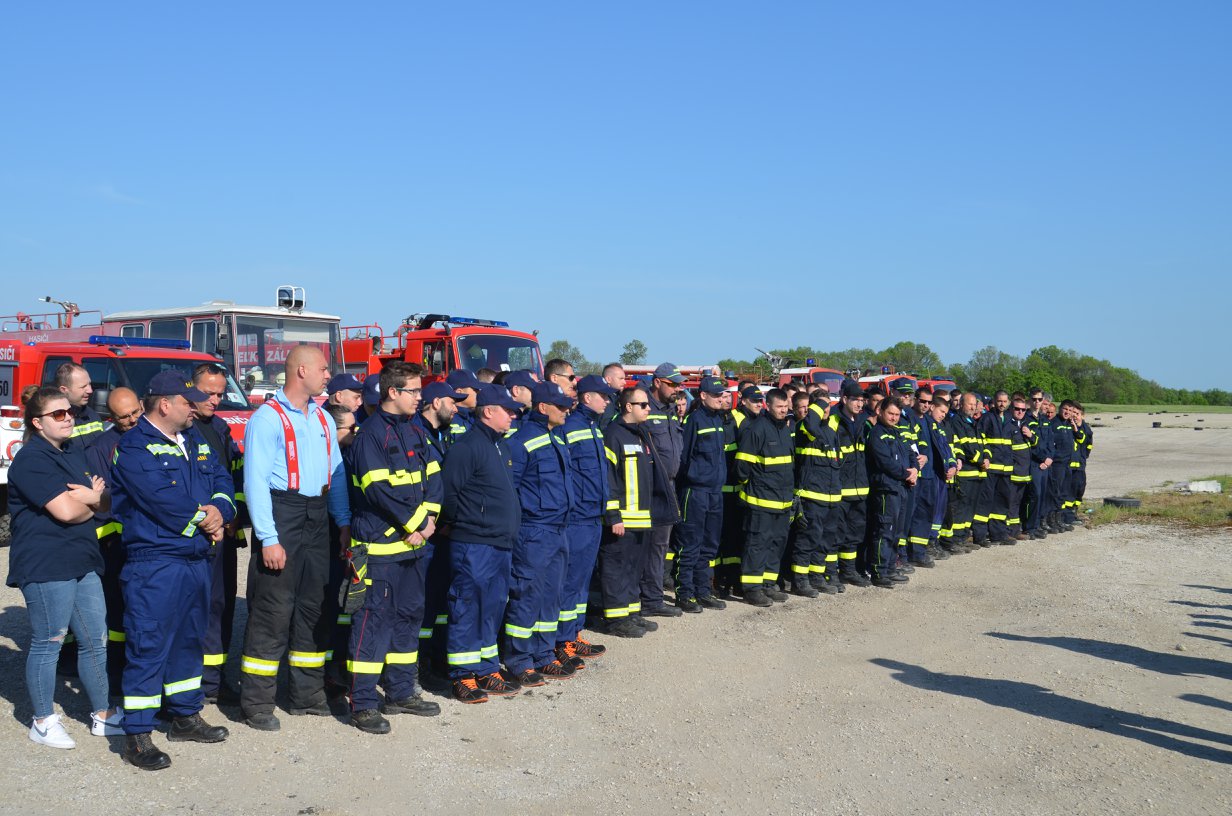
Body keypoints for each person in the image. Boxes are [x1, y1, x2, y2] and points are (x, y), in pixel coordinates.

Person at [112, 371, 236, 769]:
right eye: (188, 401)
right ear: (165, 404)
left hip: (196, 558)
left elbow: (221, 477)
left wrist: (220, 509)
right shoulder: (133, 448)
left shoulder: (194, 438)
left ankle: (184, 714)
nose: (196, 407)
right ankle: (138, 735)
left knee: (189, 640)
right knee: (149, 646)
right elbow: (160, 499)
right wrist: (205, 517)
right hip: (157, 563)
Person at [240, 345, 350, 731]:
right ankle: (256, 704)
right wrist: (269, 538)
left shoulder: (321, 417)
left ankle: (306, 695)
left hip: (318, 516)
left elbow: (335, 476)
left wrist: (344, 522)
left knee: (312, 607)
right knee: (273, 610)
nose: (328, 374)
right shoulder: (266, 419)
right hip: (283, 514)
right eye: (323, 368)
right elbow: (254, 483)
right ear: (301, 370)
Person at [7, 387, 121, 750]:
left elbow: (105, 500)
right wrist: (90, 498)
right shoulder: (31, 460)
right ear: (38, 423)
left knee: (94, 640)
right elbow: (67, 511)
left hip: (82, 559)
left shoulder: (73, 451)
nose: (68, 417)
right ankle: (42, 721)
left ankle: (103, 715)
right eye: (58, 414)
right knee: (49, 642)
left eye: (69, 411)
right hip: (45, 563)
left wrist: (91, 498)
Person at [345, 361, 442, 734]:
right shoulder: (371, 435)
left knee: (408, 619)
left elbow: (435, 475)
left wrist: (429, 519)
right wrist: (416, 524)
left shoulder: (414, 429)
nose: (421, 397)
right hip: (380, 549)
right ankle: (364, 703)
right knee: (371, 624)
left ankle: (402, 692)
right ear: (393, 393)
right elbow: (377, 490)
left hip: (414, 548)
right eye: (414, 391)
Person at [441, 384, 523, 703]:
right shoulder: (469, 446)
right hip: (474, 544)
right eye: (508, 410)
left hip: (500, 543)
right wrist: (468, 522)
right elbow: (449, 494)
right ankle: (462, 676)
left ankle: (487, 667)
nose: (514, 415)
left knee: (491, 607)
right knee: (467, 606)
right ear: (488, 412)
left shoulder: (500, 446)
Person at [503, 382, 577, 685]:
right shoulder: (521, 441)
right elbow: (512, 489)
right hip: (534, 531)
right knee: (527, 596)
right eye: (560, 406)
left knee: (551, 595)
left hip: (559, 528)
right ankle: (519, 661)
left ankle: (544, 654)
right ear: (543, 407)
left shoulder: (555, 437)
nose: (566, 410)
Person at [599, 387, 679, 636]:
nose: (648, 409)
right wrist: (614, 516)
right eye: (643, 405)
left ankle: (632, 613)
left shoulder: (641, 434)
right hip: (623, 519)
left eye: (648, 404)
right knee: (617, 569)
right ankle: (616, 620)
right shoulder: (614, 435)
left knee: (634, 568)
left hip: (642, 517)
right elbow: (609, 480)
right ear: (628, 407)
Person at [189, 363, 246, 705]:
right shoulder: (183, 429)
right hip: (194, 535)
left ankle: (213, 681)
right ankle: (192, 681)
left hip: (223, 533)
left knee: (220, 606)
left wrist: (233, 514)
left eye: (220, 393)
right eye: (208, 393)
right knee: (195, 607)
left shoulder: (222, 428)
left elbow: (234, 476)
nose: (215, 399)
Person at [86, 386, 143, 693]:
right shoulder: (101, 448)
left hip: (149, 543)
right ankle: (117, 679)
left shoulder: (156, 438)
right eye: (124, 417)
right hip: (117, 544)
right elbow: (104, 504)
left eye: (136, 412)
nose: (132, 420)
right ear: (112, 417)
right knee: (118, 614)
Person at [556, 375, 614, 663]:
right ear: (587, 397)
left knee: (581, 581)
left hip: (593, 515)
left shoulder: (594, 428)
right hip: (577, 517)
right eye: (603, 396)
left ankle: (574, 633)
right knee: (570, 581)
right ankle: (562, 639)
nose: (607, 400)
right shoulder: (570, 426)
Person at [410, 381, 466, 675]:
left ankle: (434, 656)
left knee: (439, 599)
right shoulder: (417, 435)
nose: (456, 407)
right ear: (434, 403)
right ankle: (419, 663)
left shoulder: (440, 435)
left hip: (442, 532)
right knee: (422, 601)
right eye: (451, 401)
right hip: (424, 533)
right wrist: (433, 523)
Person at [671, 376, 732, 611]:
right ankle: (684, 594)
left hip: (715, 492)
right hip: (695, 492)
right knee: (690, 544)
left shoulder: (718, 420)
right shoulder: (694, 420)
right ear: (703, 396)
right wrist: (693, 479)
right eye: (716, 395)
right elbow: (684, 458)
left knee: (709, 545)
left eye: (722, 395)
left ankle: (703, 590)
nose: (720, 399)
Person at [735, 388, 795, 606]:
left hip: (782, 501)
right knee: (757, 545)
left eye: (785, 407)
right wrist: (750, 489)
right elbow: (742, 466)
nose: (783, 411)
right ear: (767, 406)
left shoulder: (785, 430)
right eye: (779, 407)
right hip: (761, 501)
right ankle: (752, 589)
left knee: (777, 544)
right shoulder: (757, 429)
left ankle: (768, 584)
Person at [640, 363, 686, 619]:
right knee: (644, 546)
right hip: (649, 487)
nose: (677, 389)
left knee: (660, 545)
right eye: (672, 384)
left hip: (669, 486)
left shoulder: (670, 410)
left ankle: (653, 599)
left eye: (678, 384)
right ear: (657, 382)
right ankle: (642, 598)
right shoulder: (643, 406)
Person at [790, 391, 843, 596]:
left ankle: (817, 577)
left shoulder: (829, 430)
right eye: (822, 405)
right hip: (812, 495)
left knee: (825, 540)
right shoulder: (805, 427)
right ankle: (800, 581)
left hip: (831, 496)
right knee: (807, 540)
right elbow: (810, 422)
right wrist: (819, 403)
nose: (826, 409)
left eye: (828, 405)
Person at [865, 397, 916, 588]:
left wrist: (915, 470)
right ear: (880, 412)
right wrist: (906, 474)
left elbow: (911, 453)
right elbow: (884, 462)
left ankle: (890, 568)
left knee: (897, 532)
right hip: (886, 488)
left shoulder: (897, 433)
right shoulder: (876, 434)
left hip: (901, 487)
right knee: (885, 531)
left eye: (896, 415)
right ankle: (879, 571)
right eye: (890, 414)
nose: (894, 418)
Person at [832, 380, 871, 588]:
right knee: (836, 533)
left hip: (860, 488)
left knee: (854, 533)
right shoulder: (834, 419)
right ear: (844, 399)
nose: (859, 404)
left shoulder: (863, 420)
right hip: (840, 488)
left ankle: (848, 570)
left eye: (862, 400)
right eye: (855, 399)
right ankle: (833, 573)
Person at [1022, 389, 1054, 540]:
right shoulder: (1026, 419)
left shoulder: (1044, 419)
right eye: (1034, 399)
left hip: (1045, 463)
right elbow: (1030, 445)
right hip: (1034, 463)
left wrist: (1050, 458)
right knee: (1035, 495)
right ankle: (1029, 527)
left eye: (1039, 399)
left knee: (1042, 496)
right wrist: (1043, 458)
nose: (1037, 402)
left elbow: (1050, 442)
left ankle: (1037, 525)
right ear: (1030, 400)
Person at [55, 362, 104, 447]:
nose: (90, 390)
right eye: (83, 387)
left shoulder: (92, 415)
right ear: (63, 390)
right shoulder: (53, 421)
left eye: (89, 384)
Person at [445, 368, 483, 439]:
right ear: (459, 392)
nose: (479, 392)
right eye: (475, 389)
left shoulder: (479, 417)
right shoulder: (445, 419)